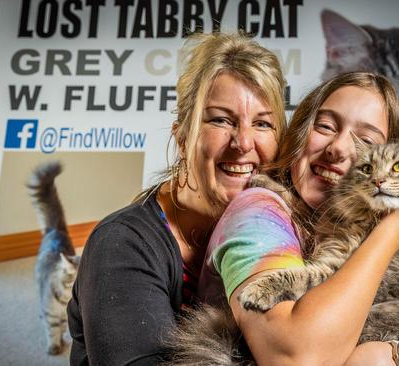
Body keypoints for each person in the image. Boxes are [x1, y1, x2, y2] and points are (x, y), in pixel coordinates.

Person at [199, 72, 399, 366]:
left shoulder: (362, 228)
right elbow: (298, 358)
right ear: (299, 131)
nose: (339, 148)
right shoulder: (259, 210)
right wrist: (396, 229)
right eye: (325, 126)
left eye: (367, 141)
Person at [67, 32, 287, 365]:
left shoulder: (276, 231)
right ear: (183, 137)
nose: (243, 142)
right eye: (221, 120)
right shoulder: (121, 243)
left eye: (262, 123)